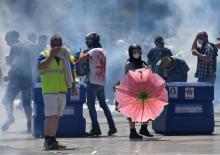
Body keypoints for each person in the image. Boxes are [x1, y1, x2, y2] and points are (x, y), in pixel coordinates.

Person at [38, 35, 77, 150]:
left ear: (61, 44)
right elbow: (40, 66)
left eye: (58, 44)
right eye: (54, 44)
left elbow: (71, 70)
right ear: (50, 44)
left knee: (57, 116)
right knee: (50, 115)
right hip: (50, 90)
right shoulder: (44, 54)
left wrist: (73, 86)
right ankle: (47, 139)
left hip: (62, 89)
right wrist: (51, 56)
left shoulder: (65, 54)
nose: (56, 47)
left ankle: (53, 138)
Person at [78, 32, 117, 136]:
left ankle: (96, 128)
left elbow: (81, 57)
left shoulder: (93, 51)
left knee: (91, 105)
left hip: (93, 81)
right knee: (103, 104)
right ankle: (112, 126)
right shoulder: (103, 50)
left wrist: (82, 52)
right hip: (101, 82)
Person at [1, 30, 32, 132]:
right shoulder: (25, 46)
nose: (6, 42)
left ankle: (10, 117)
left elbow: (15, 62)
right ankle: (29, 125)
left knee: (6, 99)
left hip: (17, 78)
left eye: (7, 39)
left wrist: (8, 63)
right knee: (26, 102)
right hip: (27, 78)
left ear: (13, 37)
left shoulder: (15, 47)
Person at [123, 44, 153, 139]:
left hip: (144, 89)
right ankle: (132, 132)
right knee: (132, 112)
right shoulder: (129, 63)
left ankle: (144, 128)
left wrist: (146, 69)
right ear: (130, 53)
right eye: (134, 51)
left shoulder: (142, 62)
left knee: (148, 109)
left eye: (138, 51)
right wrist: (142, 70)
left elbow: (149, 74)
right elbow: (130, 74)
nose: (136, 53)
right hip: (132, 90)